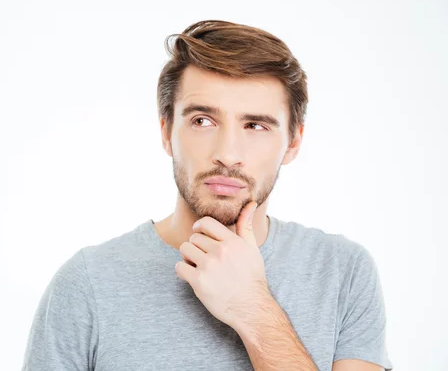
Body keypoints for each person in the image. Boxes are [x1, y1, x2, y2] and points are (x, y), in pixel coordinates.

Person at [21, 20, 392, 371]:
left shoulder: (343, 272)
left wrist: (254, 310)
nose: (228, 153)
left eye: (256, 125)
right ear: (166, 131)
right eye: (203, 121)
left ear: (293, 143)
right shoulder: (87, 283)